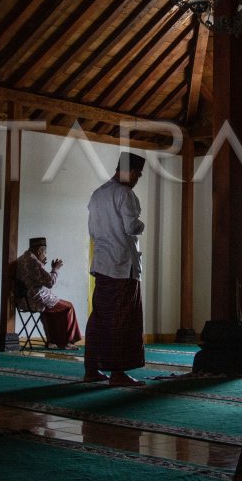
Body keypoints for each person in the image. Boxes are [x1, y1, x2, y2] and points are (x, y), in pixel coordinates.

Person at [83, 152, 146, 387]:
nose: (138, 178)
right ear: (129, 172)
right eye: (138, 174)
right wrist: (142, 224)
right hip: (121, 267)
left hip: (101, 264)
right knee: (122, 320)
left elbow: (92, 231)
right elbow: (132, 227)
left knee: (99, 318)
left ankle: (91, 369)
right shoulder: (125, 194)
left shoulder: (97, 194)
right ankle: (118, 373)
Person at [15, 236, 82, 349]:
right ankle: (67, 342)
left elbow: (35, 277)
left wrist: (42, 265)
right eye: (45, 252)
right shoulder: (33, 261)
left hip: (24, 299)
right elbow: (50, 282)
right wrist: (55, 269)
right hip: (36, 299)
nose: (45, 255)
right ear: (39, 250)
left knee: (52, 310)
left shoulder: (23, 258)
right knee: (68, 307)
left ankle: (53, 341)